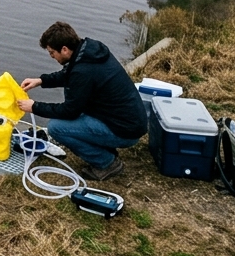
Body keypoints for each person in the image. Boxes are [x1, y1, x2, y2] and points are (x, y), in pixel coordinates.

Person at [16, 21, 148, 181]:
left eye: (52, 53)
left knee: (56, 128)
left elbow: (69, 111)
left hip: (126, 132)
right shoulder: (89, 51)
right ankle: (105, 148)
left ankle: (107, 163)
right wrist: (41, 81)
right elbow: (69, 74)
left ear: (64, 49)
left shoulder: (83, 71)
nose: (51, 56)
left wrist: (34, 107)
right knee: (78, 111)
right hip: (130, 121)